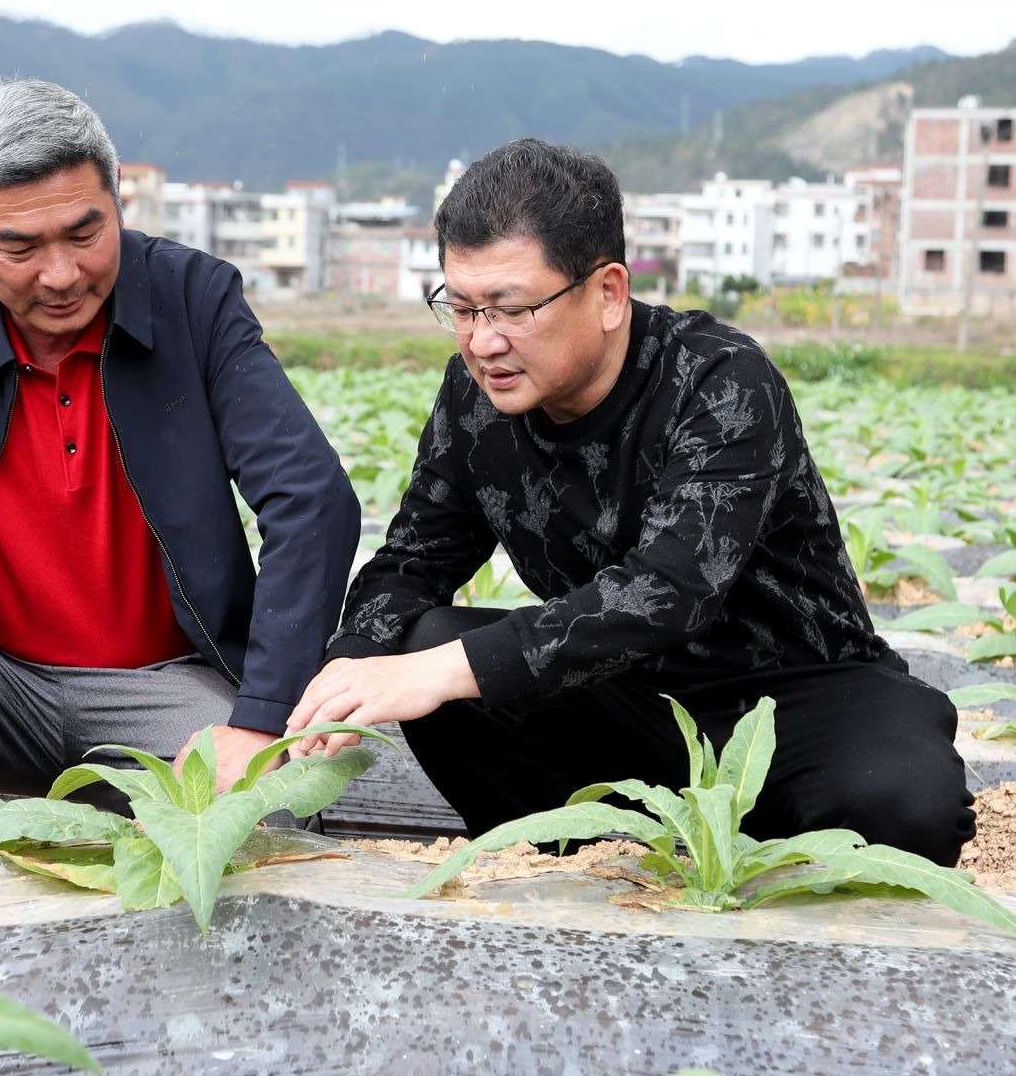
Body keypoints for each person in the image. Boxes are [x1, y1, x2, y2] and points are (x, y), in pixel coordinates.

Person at [288, 138, 973, 864]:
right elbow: (414, 559)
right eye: (461, 308)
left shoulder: (718, 379)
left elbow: (670, 591)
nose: (483, 342)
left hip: (796, 696)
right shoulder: (475, 399)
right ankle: (577, 862)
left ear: (608, 293)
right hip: (620, 697)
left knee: (904, 805)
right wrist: (350, 666)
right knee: (423, 640)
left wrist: (441, 670)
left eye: (512, 309)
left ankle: (758, 845)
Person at [0, 78, 358, 798]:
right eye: (19, 246)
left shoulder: (192, 300)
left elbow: (309, 496)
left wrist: (262, 720)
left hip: (161, 690)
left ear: (117, 198)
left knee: (256, 806)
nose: (61, 276)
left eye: (85, 234)